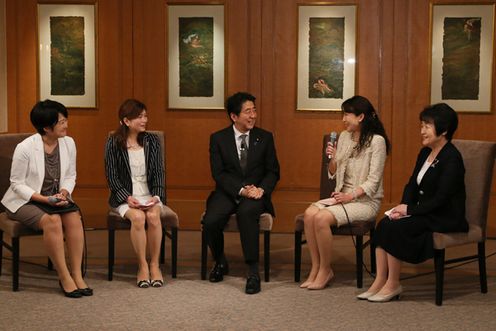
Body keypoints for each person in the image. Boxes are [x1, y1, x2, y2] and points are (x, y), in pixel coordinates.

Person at [358, 103, 468, 302]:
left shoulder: (452, 158)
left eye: (427, 126)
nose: (422, 130)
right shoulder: (425, 152)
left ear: (443, 130)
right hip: (425, 210)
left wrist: (410, 209)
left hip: (444, 215)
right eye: (422, 125)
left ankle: (393, 284)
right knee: (385, 223)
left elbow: (441, 199)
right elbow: (412, 185)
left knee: (397, 228)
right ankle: (380, 280)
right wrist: (402, 207)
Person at [1, 100, 92, 298]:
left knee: (74, 217)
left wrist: (65, 193)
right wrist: (44, 199)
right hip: (24, 201)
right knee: (53, 221)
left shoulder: (69, 143)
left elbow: (71, 175)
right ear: (46, 127)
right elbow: (16, 184)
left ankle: (77, 274)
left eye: (65, 120)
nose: (66, 125)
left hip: (55, 199)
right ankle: (64, 276)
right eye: (61, 122)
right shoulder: (25, 148)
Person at [301, 95, 390, 290]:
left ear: (361, 117)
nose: (343, 119)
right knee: (309, 215)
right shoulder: (343, 137)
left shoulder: (377, 142)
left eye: (347, 114)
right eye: (343, 114)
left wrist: (350, 196)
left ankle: (326, 269)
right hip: (342, 196)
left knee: (322, 218)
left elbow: (373, 183)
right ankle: (315, 268)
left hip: (365, 202)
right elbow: (333, 173)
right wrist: (331, 158)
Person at [202, 92, 280, 294]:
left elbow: (273, 171)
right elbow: (218, 173)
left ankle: (253, 271)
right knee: (210, 220)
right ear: (234, 116)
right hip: (229, 191)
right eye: (248, 111)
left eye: (254, 110)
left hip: (256, 193)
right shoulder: (218, 139)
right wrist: (241, 190)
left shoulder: (265, 137)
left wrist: (261, 190)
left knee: (247, 214)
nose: (253, 115)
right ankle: (220, 261)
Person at [104, 99, 166, 288]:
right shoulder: (113, 142)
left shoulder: (152, 141)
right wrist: (127, 198)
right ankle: (143, 266)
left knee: (154, 216)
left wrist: (156, 196)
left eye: (145, 116)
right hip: (125, 197)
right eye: (139, 117)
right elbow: (111, 175)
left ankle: (155, 265)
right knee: (138, 218)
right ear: (126, 121)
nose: (144, 120)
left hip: (149, 194)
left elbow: (159, 171)